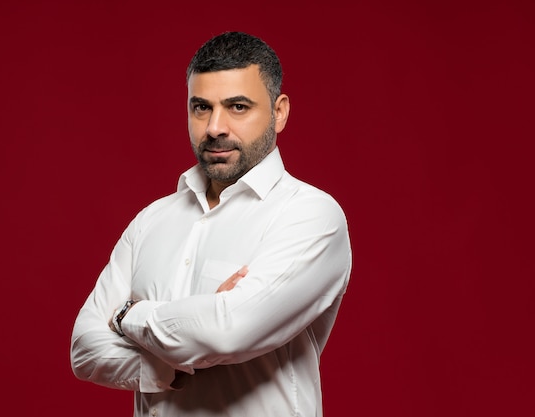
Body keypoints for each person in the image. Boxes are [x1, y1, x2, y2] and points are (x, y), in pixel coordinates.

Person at [70, 31, 352, 417]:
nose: (215, 127)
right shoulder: (152, 220)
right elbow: (84, 348)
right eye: (201, 107)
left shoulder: (310, 215)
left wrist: (126, 316)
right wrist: (170, 362)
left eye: (238, 106)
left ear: (279, 111)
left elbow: (225, 333)